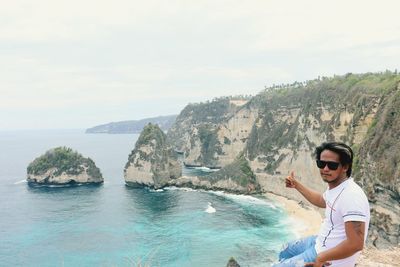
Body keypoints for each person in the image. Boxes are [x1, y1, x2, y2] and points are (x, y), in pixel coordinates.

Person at [272, 142, 370, 267]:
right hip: (319, 242)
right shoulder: (337, 187)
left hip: (328, 257)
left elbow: (356, 244)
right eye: (321, 163)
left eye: (332, 165)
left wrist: (321, 257)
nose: (325, 169)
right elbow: (322, 201)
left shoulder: (351, 196)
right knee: (284, 250)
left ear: (345, 167)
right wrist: (296, 185)